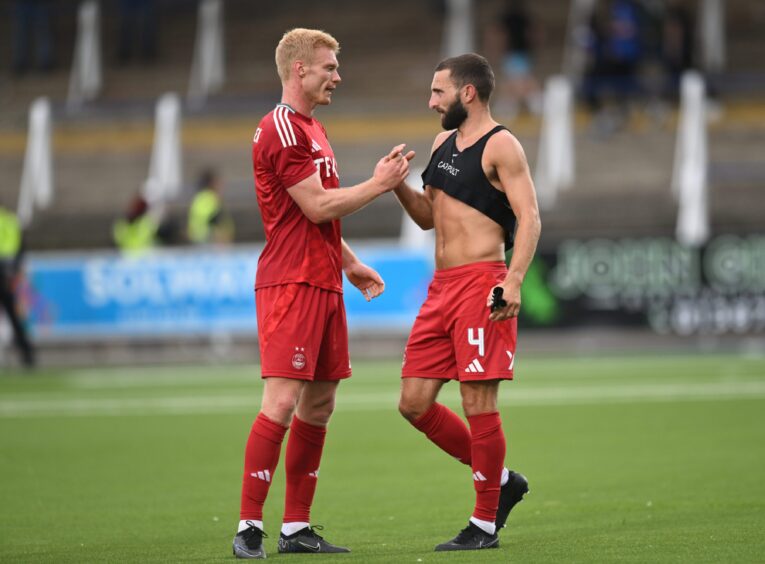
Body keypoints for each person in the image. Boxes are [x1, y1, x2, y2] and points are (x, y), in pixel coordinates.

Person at [232, 28, 413, 559]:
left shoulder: (313, 128)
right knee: (283, 401)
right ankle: (248, 527)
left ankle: (295, 528)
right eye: (329, 66)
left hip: (323, 280)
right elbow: (315, 207)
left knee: (321, 402)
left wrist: (350, 264)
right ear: (300, 70)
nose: (337, 75)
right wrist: (379, 184)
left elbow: (314, 220)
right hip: (290, 282)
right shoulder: (283, 128)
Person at [392, 53, 541, 551]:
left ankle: (483, 525)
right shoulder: (441, 143)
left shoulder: (502, 145)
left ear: (468, 93)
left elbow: (530, 217)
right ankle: (500, 483)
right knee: (413, 404)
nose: (431, 101)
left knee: (478, 401)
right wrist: (395, 186)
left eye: (439, 92)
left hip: (483, 282)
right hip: (442, 288)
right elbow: (427, 219)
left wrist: (514, 281)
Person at [0, 205, 36, 368]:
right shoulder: (10, 220)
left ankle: (27, 353)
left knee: (13, 315)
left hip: (5, 271)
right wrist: (16, 270)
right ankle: (27, 354)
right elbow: (21, 248)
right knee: (14, 316)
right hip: (8, 272)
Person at [187, 168, 234, 245]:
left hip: (199, 240)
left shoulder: (199, 198)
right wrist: (222, 236)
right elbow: (214, 219)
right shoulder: (210, 198)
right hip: (209, 242)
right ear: (212, 183)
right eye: (218, 182)